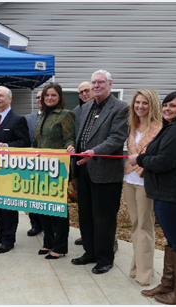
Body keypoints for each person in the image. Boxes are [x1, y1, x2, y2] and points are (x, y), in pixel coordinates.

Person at [128, 91, 176, 305]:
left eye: (173, 106)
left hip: (175, 195)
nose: (168, 109)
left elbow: (163, 162)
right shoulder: (172, 128)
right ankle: (168, 284)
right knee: (172, 241)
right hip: (167, 193)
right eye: (166, 105)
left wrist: (138, 158)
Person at [68, 70, 128, 274]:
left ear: (110, 84)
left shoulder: (120, 108)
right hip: (83, 169)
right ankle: (89, 252)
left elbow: (116, 139)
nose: (95, 86)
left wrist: (93, 152)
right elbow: (79, 136)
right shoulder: (84, 108)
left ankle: (105, 258)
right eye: (93, 82)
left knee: (104, 218)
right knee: (85, 215)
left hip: (105, 172)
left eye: (100, 82)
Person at [0, 86, 31, 254]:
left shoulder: (18, 119)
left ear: (9, 99)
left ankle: (8, 239)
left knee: (8, 206)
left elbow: (25, 141)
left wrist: (8, 146)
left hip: (9, 171)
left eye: (1, 96)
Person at [123, 89, 163, 286]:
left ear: (152, 105)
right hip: (129, 180)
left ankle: (145, 273)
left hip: (146, 181)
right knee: (135, 224)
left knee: (145, 226)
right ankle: (136, 267)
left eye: (145, 103)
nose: (140, 106)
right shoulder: (133, 125)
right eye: (137, 102)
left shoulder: (160, 128)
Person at [33, 83, 75, 260]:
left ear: (59, 97)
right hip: (41, 168)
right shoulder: (41, 117)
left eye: (53, 95)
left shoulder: (65, 115)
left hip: (57, 168)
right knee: (43, 208)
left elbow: (69, 138)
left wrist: (70, 148)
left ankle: (60, 246)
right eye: (46, 95)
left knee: (58, 209)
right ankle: (48, 241)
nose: (49, 98)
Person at [72, 80, 95, 246]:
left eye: (86, 90)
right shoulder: (77, 111)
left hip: (99, 164)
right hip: (80, 164)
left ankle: (110, 239)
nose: (84, 94)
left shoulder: (104, 109)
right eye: (81, 92)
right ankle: (86, 235)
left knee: (101, 207)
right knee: (84, 205)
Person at [25, 90, 44, 237]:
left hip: (49, 164)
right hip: (31, 163)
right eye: (37, 97)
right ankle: (35, 225)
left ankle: (50, 225)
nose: (39, 100)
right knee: (31, 195)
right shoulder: (28, 118)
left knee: (46, 195)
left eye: (41, 97)